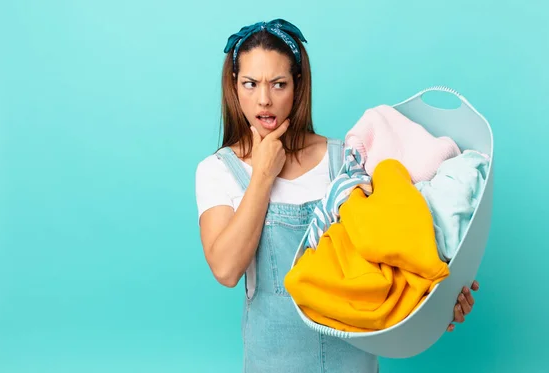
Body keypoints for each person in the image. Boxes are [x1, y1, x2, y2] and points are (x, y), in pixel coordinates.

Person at [195, 18, 480, 373]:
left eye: (278, 84)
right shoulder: (218, 171)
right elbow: (225, 269)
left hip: (355, 363)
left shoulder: (346, 159)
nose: (264, 100)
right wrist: (263, 175)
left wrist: (437, 304)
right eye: (250, 84)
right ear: (233, 86)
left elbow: (394, 255)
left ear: (298, 86)